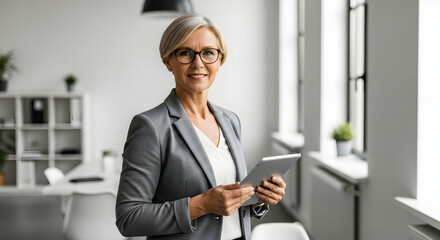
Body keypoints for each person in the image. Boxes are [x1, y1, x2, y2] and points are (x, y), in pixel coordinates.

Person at [115, 14, 287, 240]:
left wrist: (259, 200)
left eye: (208, 52)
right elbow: (129, 218)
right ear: (168, 60)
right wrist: (202, 204)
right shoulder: (151, 126)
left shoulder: (230, 120)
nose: (198, 63)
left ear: (220, 60)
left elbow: (230, 209)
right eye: (185, 53)